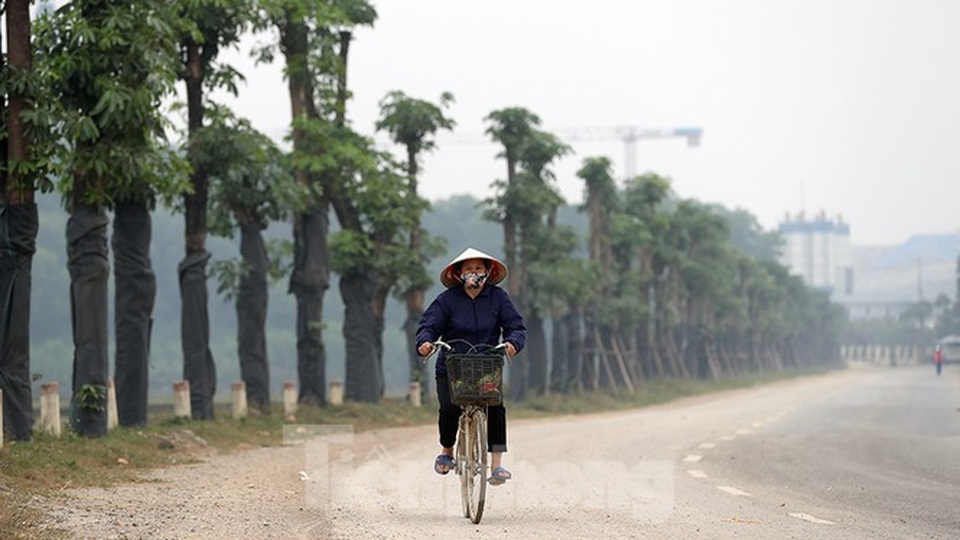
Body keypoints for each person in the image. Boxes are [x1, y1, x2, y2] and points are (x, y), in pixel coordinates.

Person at [416, 247, 526, 486]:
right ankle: (447, 451)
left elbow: (516, 326)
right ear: (458, 274)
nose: (474, 273)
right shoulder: (447, 300)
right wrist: (425, 342)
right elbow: (428, 325)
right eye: (468, 269)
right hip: (452, 364)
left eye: (478, 268)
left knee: (496, 407)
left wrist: (512, 343)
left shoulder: (498, 298)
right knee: (449, 409)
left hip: (487, 365)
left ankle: (496, 465)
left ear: (488, 272)